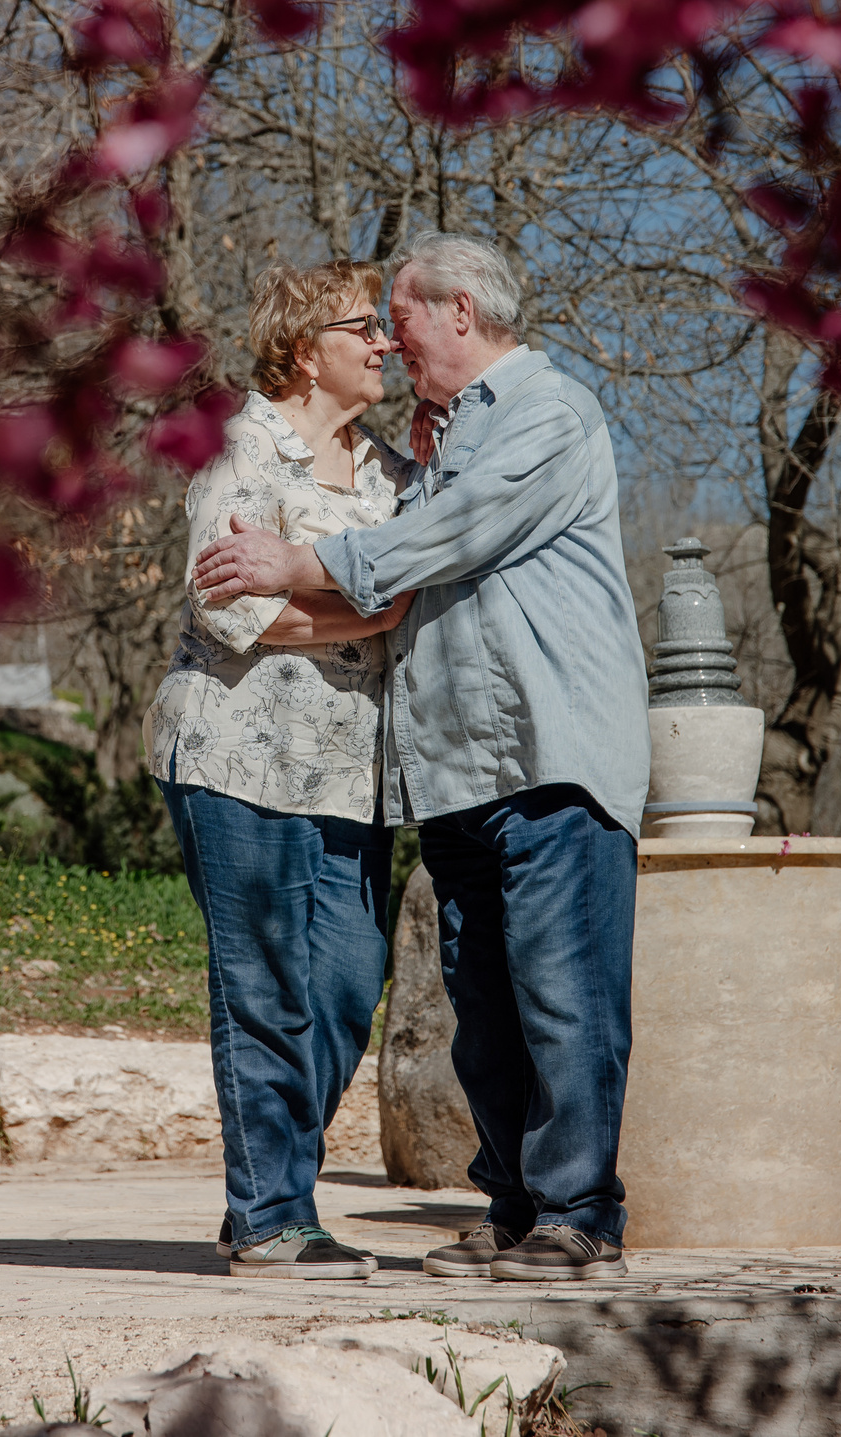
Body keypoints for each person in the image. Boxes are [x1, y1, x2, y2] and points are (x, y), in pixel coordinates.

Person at [193, 231, 649, 1283]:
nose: (393, 345)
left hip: (550, 760)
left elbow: (452, 539)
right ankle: (515, 1206)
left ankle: (580, 1215)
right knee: (484, 1014)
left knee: (565, 995)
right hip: (453, 776)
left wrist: (299, 560)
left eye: (399, 321)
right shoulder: (441, 441)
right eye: (375, 327)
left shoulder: (546, 410)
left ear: (458, 310)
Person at [147, 258, 415, 1279]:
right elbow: (232, 610)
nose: (384, 342)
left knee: (349, 982)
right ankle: (270, 1215)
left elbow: (410, 595)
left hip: (353, 775)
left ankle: (270, 1195)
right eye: (365, 327)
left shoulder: (390, 471)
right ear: (306, 348)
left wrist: (360, 607)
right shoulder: (240, 450)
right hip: (233, 761)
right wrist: (369, 611)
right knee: (263, 987)